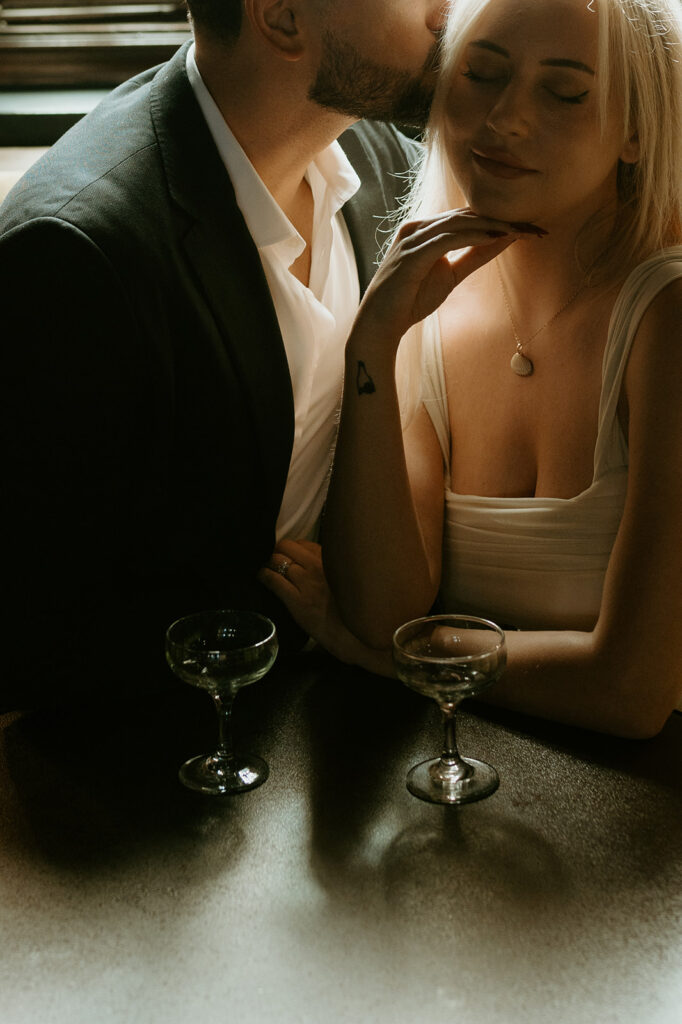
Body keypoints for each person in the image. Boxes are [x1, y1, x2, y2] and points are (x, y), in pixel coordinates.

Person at [0, 0, 448, 710]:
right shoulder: (76, 256)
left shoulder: (385, 158)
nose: (448, 10)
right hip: (170, 753)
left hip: (350, 703)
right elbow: (40, 635)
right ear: (283, 16)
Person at [261, 0, 682, 738]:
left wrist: (397, 659)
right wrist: (374, 342)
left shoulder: (667, 315)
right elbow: (385, 603)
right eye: (481, 75)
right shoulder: (428, 307)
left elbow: (632, 691)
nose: (505, 119)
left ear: (638, 132)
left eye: (566, 91)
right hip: (465, 784)